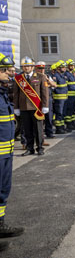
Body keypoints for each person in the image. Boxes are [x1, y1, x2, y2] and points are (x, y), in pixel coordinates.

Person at [0, 53, 24, 247]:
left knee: (3, 190)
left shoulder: (2, 93)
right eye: (8, 71)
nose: (11, 75)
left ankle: (0, 225)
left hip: (6, 153)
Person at [13, 57, 49, 156]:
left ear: (32, 67)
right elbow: (16, 94)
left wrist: (45, 106)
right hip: (24, 108)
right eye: (24, 66)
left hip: (36, 108)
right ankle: (30, 148)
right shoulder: (19, 78)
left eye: (28, 66)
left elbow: (44, 93)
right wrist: (16, 107)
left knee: (38, 129)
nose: (26, 68)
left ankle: (40, 148)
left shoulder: (40, 76)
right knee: (27, 129)